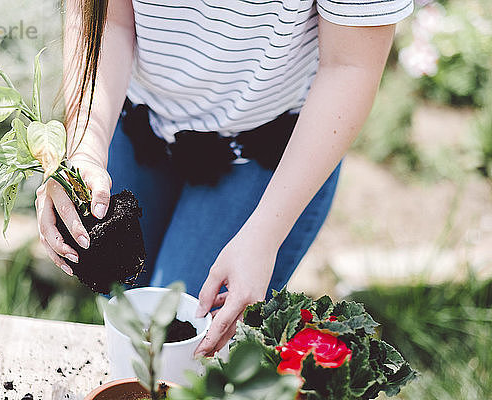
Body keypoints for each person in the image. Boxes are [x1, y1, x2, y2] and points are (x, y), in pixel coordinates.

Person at [35, 0, 413, 356]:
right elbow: (108, 17)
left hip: (263, 150)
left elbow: (349, 65)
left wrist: (263, 237)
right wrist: (85, 145)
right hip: (133, 121)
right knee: (124, 308)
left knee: (179, 343)